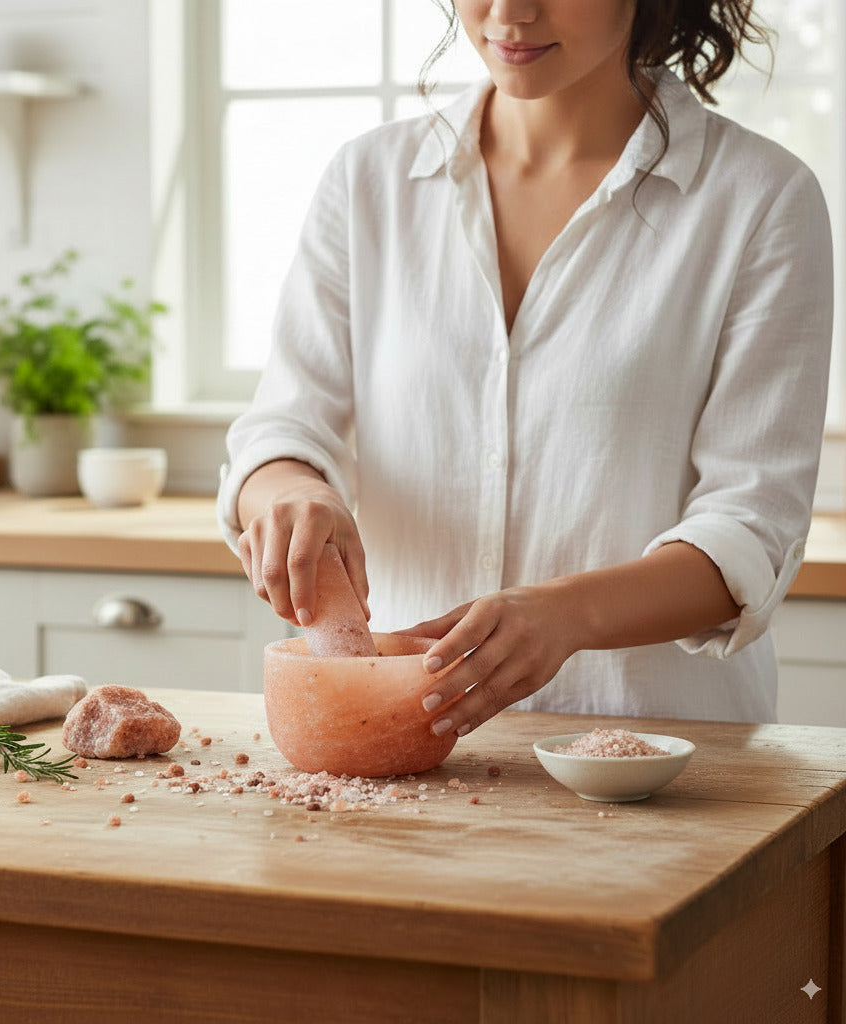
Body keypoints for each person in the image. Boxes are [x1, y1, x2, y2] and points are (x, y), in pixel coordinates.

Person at [217, 0, 833, 737]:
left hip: (667, 759)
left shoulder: (761, 199)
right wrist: (288, 489)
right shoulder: (368, 181)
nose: (510, 12)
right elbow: (282, 426)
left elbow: (751, 527)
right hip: (408, 755)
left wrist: (567, 614)